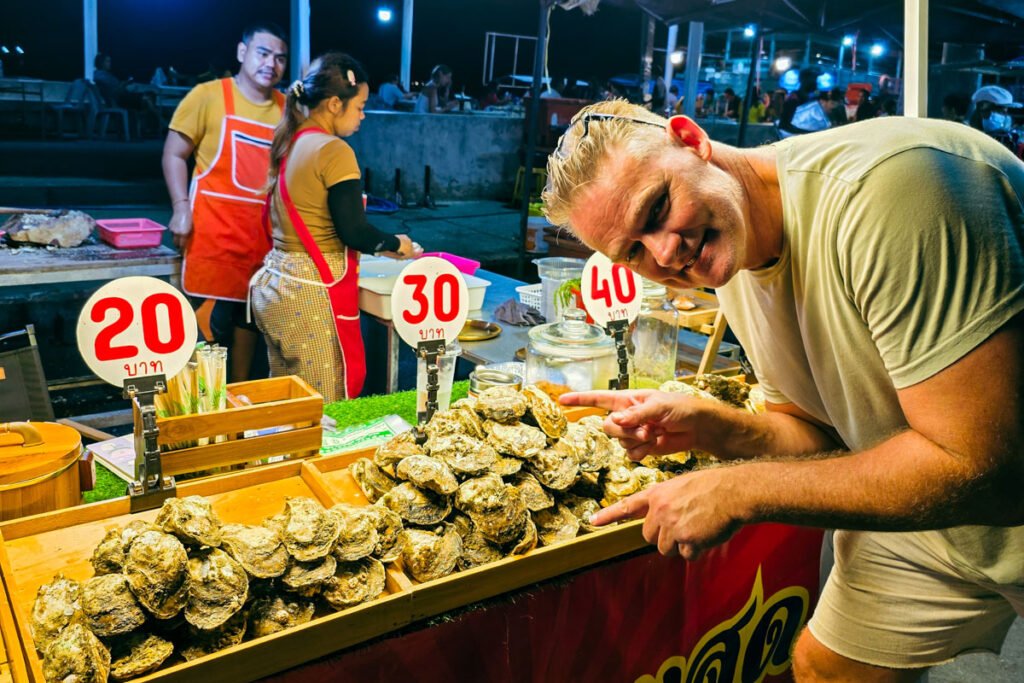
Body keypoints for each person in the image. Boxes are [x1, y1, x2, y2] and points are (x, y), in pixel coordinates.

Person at [543, 100, 1024, 682]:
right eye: (634, 252)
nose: (666, 254)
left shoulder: (886, 191)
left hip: (986, 485)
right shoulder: (731, 250)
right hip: (938, 515)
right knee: (827, 669)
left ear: (691, 140)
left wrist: (739, 490)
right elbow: (814, 433)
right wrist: (713, 426)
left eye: (658, 208)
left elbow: (978, 462)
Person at [251, 54, 421, 402]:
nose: (362, 116)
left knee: (290, 405)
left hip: (277, 285)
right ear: (333, 104)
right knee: (323, 410)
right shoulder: (333, 150)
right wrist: (396, 243)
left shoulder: (291, 141)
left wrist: (381, 245)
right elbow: (353, 232)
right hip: (311, 291)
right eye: (359, 107)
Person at [162, 23, 288, 382]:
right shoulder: (207, 96)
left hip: (264, 240)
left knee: (251, 318)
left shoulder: (287, 110)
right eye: (263, 53)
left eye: (280, 58)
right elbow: (174, 154)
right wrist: (180, 207)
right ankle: (201, 406)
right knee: (208, 326)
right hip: (212, 235)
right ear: (242, 52)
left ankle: (242, 395)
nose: (271, 64)